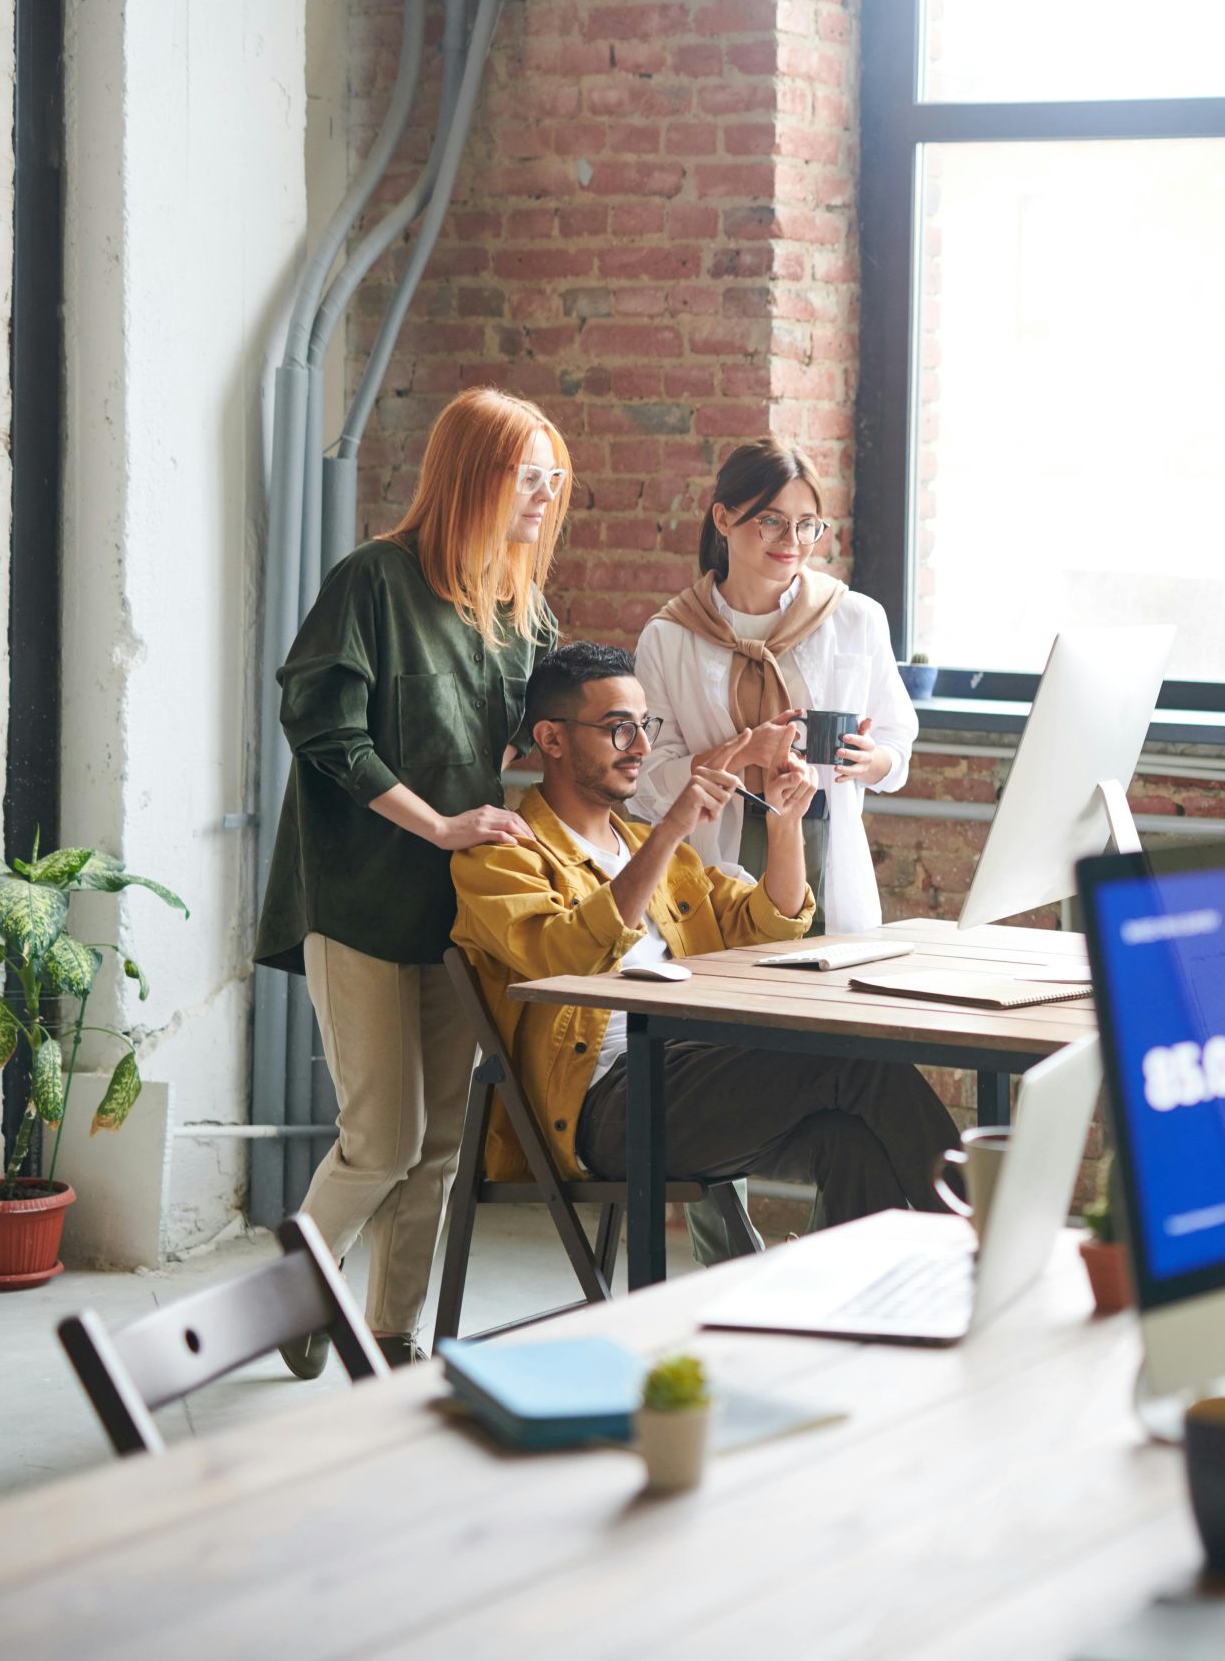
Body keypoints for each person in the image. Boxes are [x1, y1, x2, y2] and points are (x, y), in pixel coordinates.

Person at [256, 387, 569, 1374]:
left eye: (555, 479)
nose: (546, 496)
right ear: (473, 473)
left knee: (440, 1141)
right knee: (381, 1138)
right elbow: (323, 731)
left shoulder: (519, 606)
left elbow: (551, 722)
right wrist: (436, 822)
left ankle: (390, 1335)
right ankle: (293, 1299)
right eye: (529, 475)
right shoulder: (372, 583)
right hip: (353, 898)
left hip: (454, 915)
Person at [450, 643, 959, 1247]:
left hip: (685, 1068)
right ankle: (988, 1255)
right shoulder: (502, 856)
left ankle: (863, 1320)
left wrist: (785, 826)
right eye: (618, 729)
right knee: (856, 1058)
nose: (640, 746)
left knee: (848, 1143)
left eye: (645, 726)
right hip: (603, 1109)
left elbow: (769, 925)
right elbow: (565, 959)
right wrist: (669, 830)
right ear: (552, 740)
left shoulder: (652, 849)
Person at [633, 436, 917, 936]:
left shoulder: (856, 618)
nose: (792, 540)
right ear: (723, 519)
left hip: (825, 840)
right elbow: (649, 781)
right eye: (771, 521)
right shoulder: (670, 635)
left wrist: (870, 760)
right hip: (716, 851)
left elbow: (896, 747)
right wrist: (742, 753)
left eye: (807, 525)